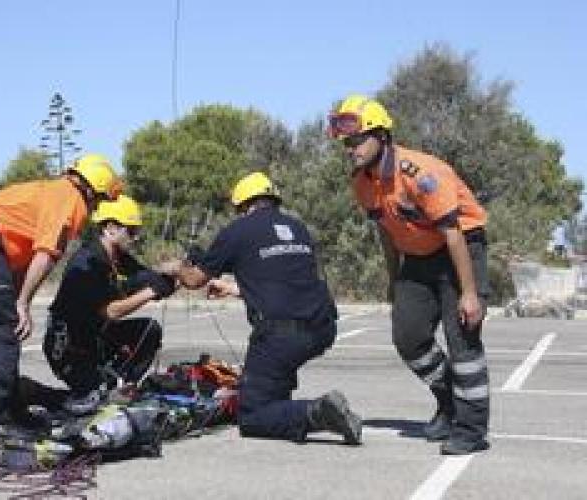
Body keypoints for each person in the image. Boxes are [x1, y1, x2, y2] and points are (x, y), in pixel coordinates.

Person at [329, 94, 490, 455]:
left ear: (381, 136)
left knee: (462, 340)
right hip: (418, 258)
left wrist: (469, 294)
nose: (351, 149)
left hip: (460, 249)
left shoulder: (419, 173)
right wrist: (393, 280)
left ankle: (472, 429)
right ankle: (449, 403)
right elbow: (386, 232)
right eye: (346, 143)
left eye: (357, 140)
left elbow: (453, 234)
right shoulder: (362, 183)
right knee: (408, 336)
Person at [0, 153, 122, 444]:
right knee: (1, 335)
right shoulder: (71, 200)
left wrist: (15, 298)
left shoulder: (54, 191)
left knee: (4, 330)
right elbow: (46, 254)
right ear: (92, 190)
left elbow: (21, 258)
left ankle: (12, 411)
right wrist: (23, 303)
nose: (96, 209)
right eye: (99, 201)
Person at [169, 172, 362, 444]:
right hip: (322, 328)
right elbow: (281, 280)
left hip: (281, 337)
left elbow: (193, 280)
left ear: (244, 205)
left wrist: (174, 268)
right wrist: (235, 289)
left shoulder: (238, 230)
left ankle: (318, 412)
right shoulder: (298, 228)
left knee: (253, 415)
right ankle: (287, 409)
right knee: (272, 390)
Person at [44, 194, 176, 416]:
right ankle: (35, 393)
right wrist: (151, 292)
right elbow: (111, 312)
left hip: (96, 338)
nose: (136, 237)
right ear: (111, 228)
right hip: (68, 348)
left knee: (149, 330)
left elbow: (148, 277)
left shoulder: (119, 258)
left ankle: (122, 386)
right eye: (131, 231)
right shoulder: (87, 262)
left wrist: (178, 274)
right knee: (94, 401)